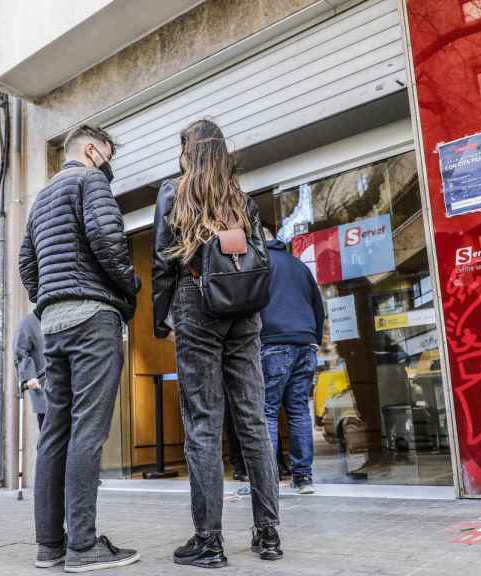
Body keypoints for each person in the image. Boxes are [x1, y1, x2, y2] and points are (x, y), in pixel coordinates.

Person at [153, 119, 281, 568]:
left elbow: (162, 263)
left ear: (188, 149)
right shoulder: (241, 199)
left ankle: (209, 542)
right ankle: (268, 535)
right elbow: (256, 256)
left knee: (204, 424)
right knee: (253, 420)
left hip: (197, 303)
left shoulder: (175, 192)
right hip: (244, 309)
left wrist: (158, 319)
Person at [19, 124, 141, 572]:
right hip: (93, 318)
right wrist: (129, 290)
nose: (112, 161)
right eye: (111, 151)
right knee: (88, 431)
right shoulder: (91, 181)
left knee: (56, 433)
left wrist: (49, 300)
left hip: (54, 325)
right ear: (93, 149)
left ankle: (50, 545)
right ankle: (84, 547)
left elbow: (25, 263)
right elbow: (109, 243)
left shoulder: (41, 196)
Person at [259, 229, 324, 495]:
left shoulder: (259, 263)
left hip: (273, 342)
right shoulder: (298, 265)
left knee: (266, 412)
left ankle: (267, 482)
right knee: (298, 410)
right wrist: (314, 338)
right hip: (305, 343)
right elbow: (318, 306)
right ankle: (302, 478)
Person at [14, 311, 47, 429]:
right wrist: (30, 376)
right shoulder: (29, 322)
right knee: (48, 438)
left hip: (67, 389)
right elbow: (20, 351)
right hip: (44, 389)